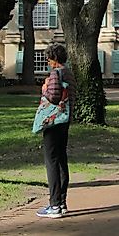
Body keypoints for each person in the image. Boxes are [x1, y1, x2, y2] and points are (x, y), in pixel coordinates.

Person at [36, 42, 77, 219]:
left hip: (53, 122)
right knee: (61, 159)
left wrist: (44, 89)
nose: (47, 61)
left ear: (53, 59)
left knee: (51, 160)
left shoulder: (55, 73)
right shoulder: (69, 73)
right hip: (65, 119)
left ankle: (54, 204)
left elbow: (53, 97)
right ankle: (61, 202)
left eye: (48, 58)